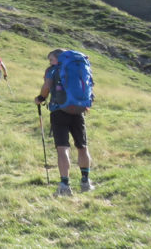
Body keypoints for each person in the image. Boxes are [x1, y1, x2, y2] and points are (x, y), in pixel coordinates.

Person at [36, 49, 94, 196]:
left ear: (57, 59)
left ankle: (64, 185)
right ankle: (85, 182)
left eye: (51, 59)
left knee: (62, 149)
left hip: (59, 110)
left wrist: (41, 98)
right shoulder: (78, 67)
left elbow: (47, 87)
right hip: (78, 110)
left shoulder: (52, 70)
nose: (50, 62)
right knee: (82, 147)